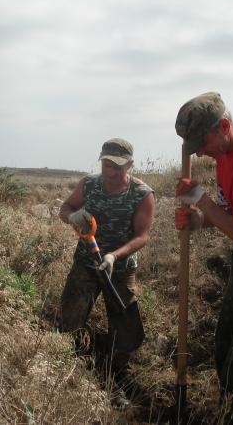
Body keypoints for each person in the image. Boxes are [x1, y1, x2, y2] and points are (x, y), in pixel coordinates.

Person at [174, 92, 233, 424]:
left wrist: (202, 201)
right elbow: (229, 212)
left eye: (201, 143)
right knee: (225, 344)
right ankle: (228, 410)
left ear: (224, 126)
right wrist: (199, 219)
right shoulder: (224, 153)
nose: (198, 152)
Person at [59, 138, 155, 400]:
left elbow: (142, 236)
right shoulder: (89, 183)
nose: (111, 172)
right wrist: (72, 217)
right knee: (69, 320)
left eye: (118, 167)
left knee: (125, 329)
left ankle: (115, 375)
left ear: (130, 165)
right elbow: (65, 208)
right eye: (107, 164)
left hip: (120, 268)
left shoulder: (142, 194)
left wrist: (113, 256)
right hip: (86, 264)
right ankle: (73, 368)